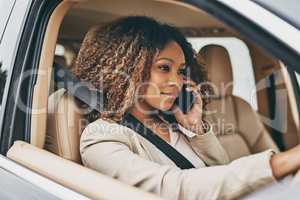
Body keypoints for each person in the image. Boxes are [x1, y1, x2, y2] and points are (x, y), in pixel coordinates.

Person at [72, 16, 300, 200]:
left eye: (181, 71)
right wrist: (279, 163)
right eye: (164, 68)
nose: (176, 81)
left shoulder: (175, 122)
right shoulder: (100, 137)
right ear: (129, 69)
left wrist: (196, 128)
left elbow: (221, 171)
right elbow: (172, 190)